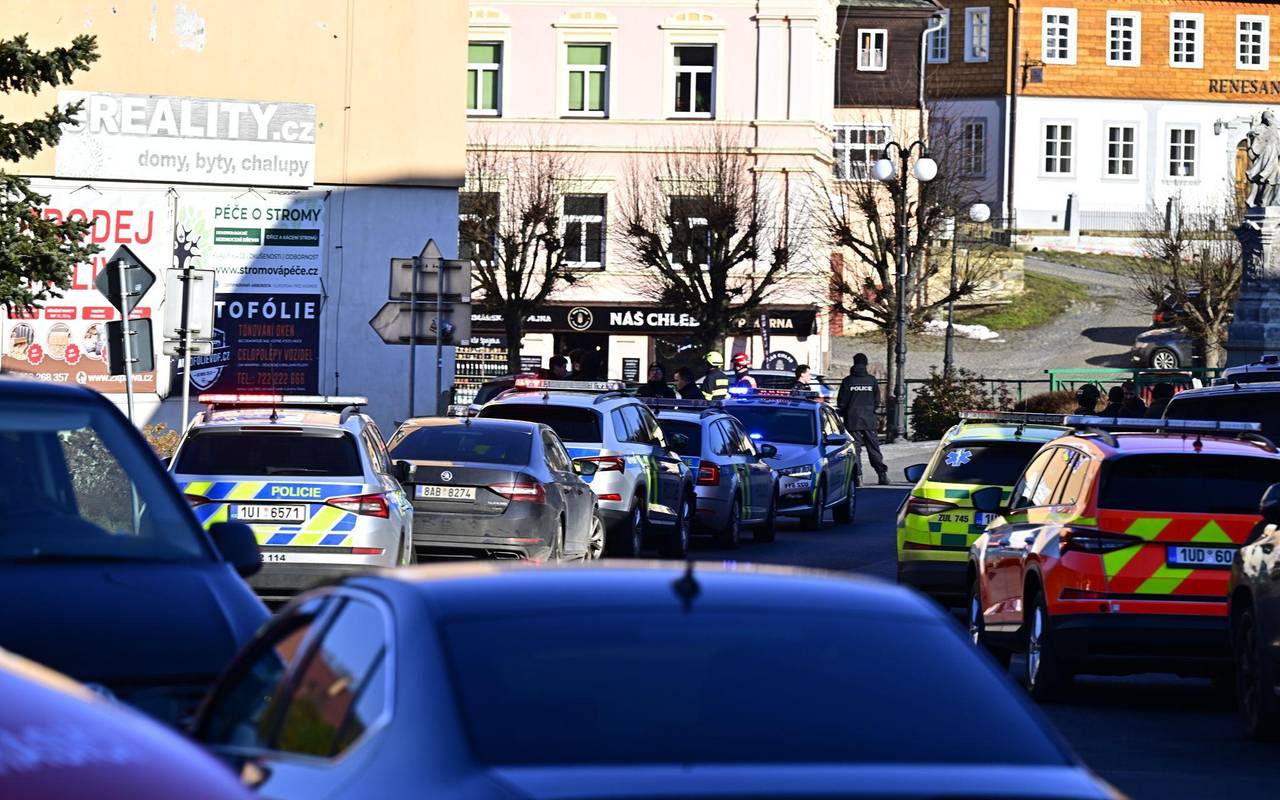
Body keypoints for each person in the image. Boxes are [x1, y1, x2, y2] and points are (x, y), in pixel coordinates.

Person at [837, 354, 888, 486]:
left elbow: (842, 401)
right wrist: (871, 410)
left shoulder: (848, 381)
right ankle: (882, 474)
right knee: (874, 448)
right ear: (866, 364)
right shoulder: (871, 380)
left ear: (854, 363)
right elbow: (877, 400)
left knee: (856, 449)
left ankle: (858, 477)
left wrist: (844, 413)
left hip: (852, 420)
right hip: (869, 420)